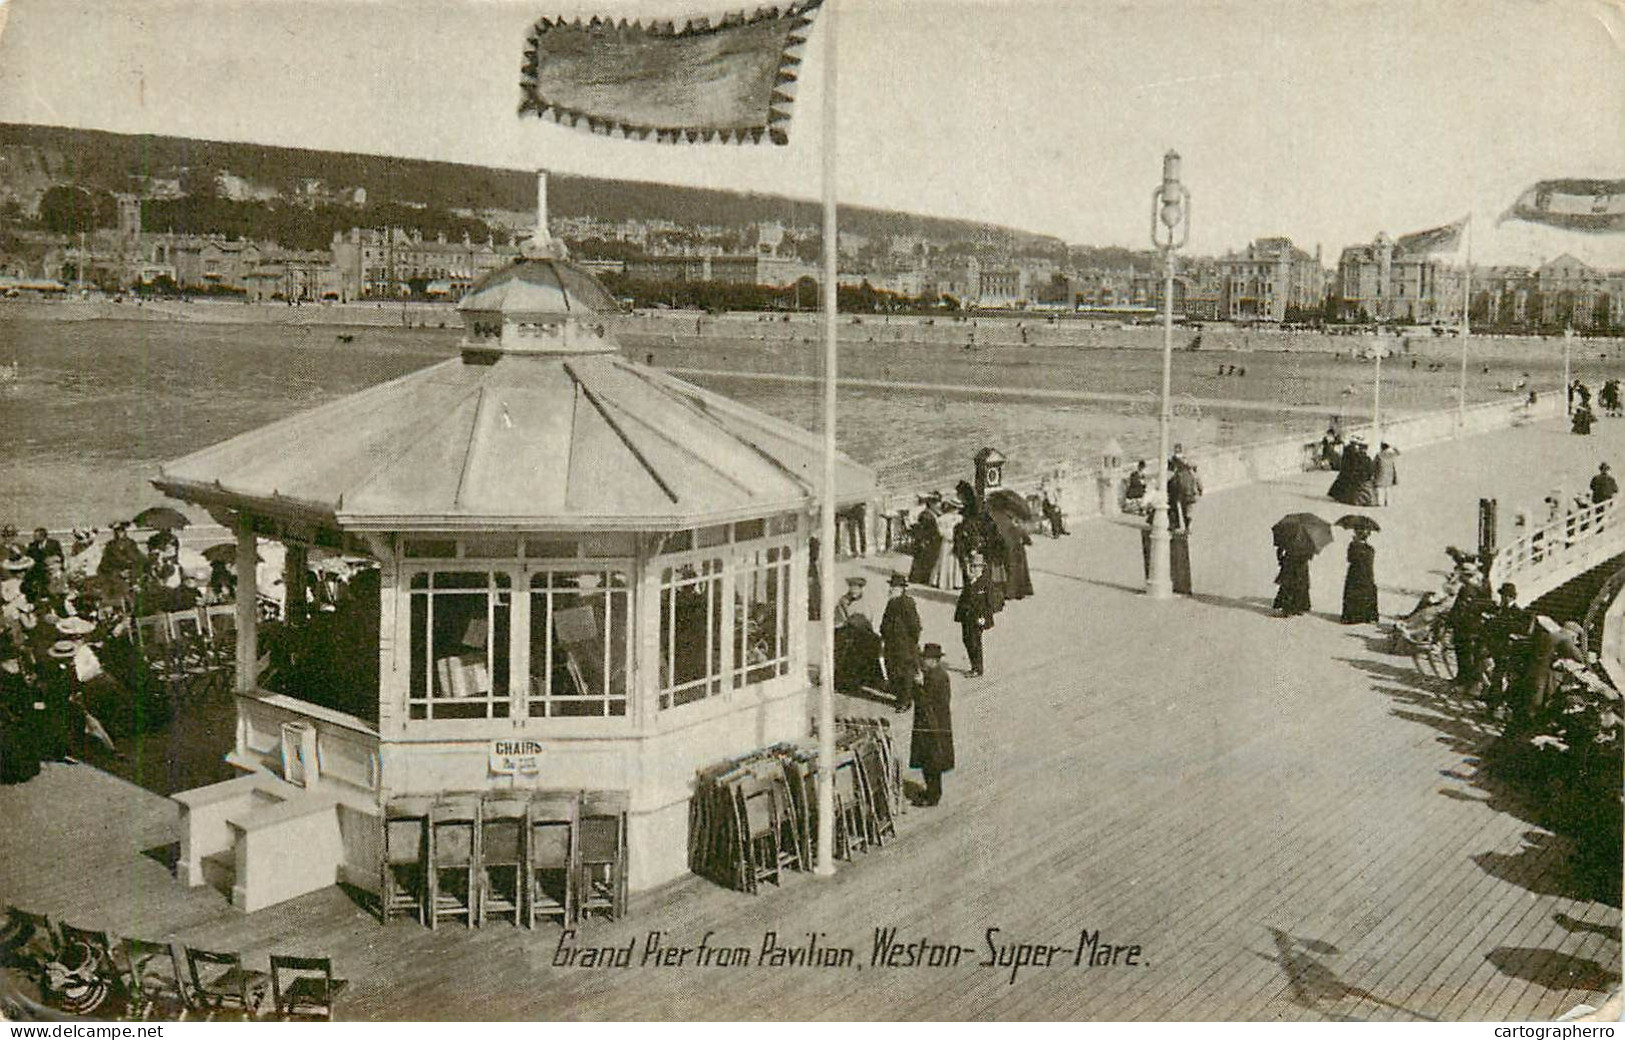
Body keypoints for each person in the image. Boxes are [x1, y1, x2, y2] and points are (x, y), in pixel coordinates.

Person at [909, 643, 955, 807]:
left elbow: (926, 701)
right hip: (932, 724)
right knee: (929, 760)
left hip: (932, 725)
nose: (923, 662)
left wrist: (919, 686)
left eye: (926, 659)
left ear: (934, 660)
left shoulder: (935, 678)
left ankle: (933, 796)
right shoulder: (936, 675)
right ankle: (931, 791)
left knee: (932, 761)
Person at [880, 573, 921, 713]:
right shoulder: (892, 602)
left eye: (895, 587)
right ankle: (900, 697)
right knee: (893, 670)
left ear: (902, 589)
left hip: (904, 645)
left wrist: (910, 642)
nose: (891, 589)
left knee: (905, 673)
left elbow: (915, 626)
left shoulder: (907, 603)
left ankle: (905, 701)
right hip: (892, 644)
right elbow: (885, 622)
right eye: (891, 586)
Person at [954, 554, 994, 678]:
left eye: (977, 567)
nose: (974, 569)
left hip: (977, 618)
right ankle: (974, 665)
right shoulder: (969, 580)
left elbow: (989, 603)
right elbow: (963, 599)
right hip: (966, 616)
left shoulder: (985, 583)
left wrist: (984, 617)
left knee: (975, 641)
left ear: (982, 568)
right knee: (966, 640)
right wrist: (959, 613)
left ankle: (978, 668)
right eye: (972, 566)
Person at [1340, 529, 1379, 624]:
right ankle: (1366, 616)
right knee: (1366, 594)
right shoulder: (1370, 549)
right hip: (1367, 575)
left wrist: (1354, 544)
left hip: (1355, 574)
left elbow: (1350, 558)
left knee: (1353, 593)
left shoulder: (1353, 546)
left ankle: (1351, 616)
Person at [1273, 541, 1313, 617]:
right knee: (1300, 584)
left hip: (1290, 559)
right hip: (1301, 561)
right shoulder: (1308, 533)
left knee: (1288, 584)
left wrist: (1280, 558)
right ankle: (1299, 606)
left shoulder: (1288, 532)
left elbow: (1281, 547)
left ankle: (1287, 607)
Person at [907, 502, 941, 585]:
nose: (938, 506)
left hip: (928, 539)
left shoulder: (930, 514)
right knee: (922, 559)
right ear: (932, 505)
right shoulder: (926, 515)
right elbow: (924, 530)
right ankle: (918, 578)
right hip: (926, 539)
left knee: (925, 559)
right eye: (937, 504)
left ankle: (922, 578)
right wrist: (924, 540)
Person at [932, 502, 963, 591]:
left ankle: (948, 582)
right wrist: (952, 536)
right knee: (948, 560)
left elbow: (941, 532)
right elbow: (941, 531)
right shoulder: (943, 519)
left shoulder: (958, 518)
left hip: (950, 541)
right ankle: (951, 582)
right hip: (948, 541)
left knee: (951, 560)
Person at [1169, 460, 1203, 531]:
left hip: (1182, 496)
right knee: (1188, 510)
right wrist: (1200, 491)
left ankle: (1187, 526)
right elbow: (1199, 484)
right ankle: (1188, 526)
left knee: (1184, 511)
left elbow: (1175, 485)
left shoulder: (1178, 474)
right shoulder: (1192, 474)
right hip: (1191, 495)